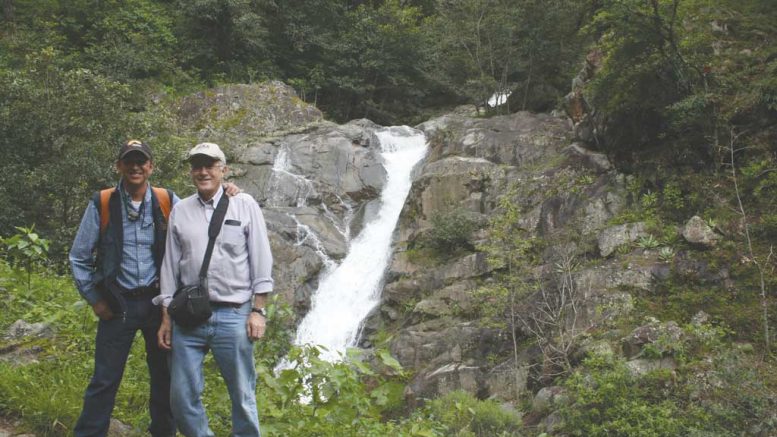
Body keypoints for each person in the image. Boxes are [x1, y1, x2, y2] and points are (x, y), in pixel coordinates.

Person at [69, 139, 241, 437]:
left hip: (157, 303)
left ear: (151, 166)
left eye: (141, 161)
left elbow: (201, 212)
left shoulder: (167, 200)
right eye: (129, 161)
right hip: (117, 304)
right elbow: (79, 256)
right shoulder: (103, 202)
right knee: (104, 380)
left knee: (164, 379)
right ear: (119, 166)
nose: (135, 166)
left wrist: (228, 192)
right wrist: (95, 300)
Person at [156, 142, 273, 437]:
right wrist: (166, 317)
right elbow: (170, 265)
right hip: (189, 317)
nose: (203, 171)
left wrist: (258, 310)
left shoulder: (244, 205)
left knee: (243, 396)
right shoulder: (180, 210)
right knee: (181, 397)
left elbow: (261, 258)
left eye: (210, 165)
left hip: (234, 315)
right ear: (191, 172)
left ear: (224, 170)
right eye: (198, 166)